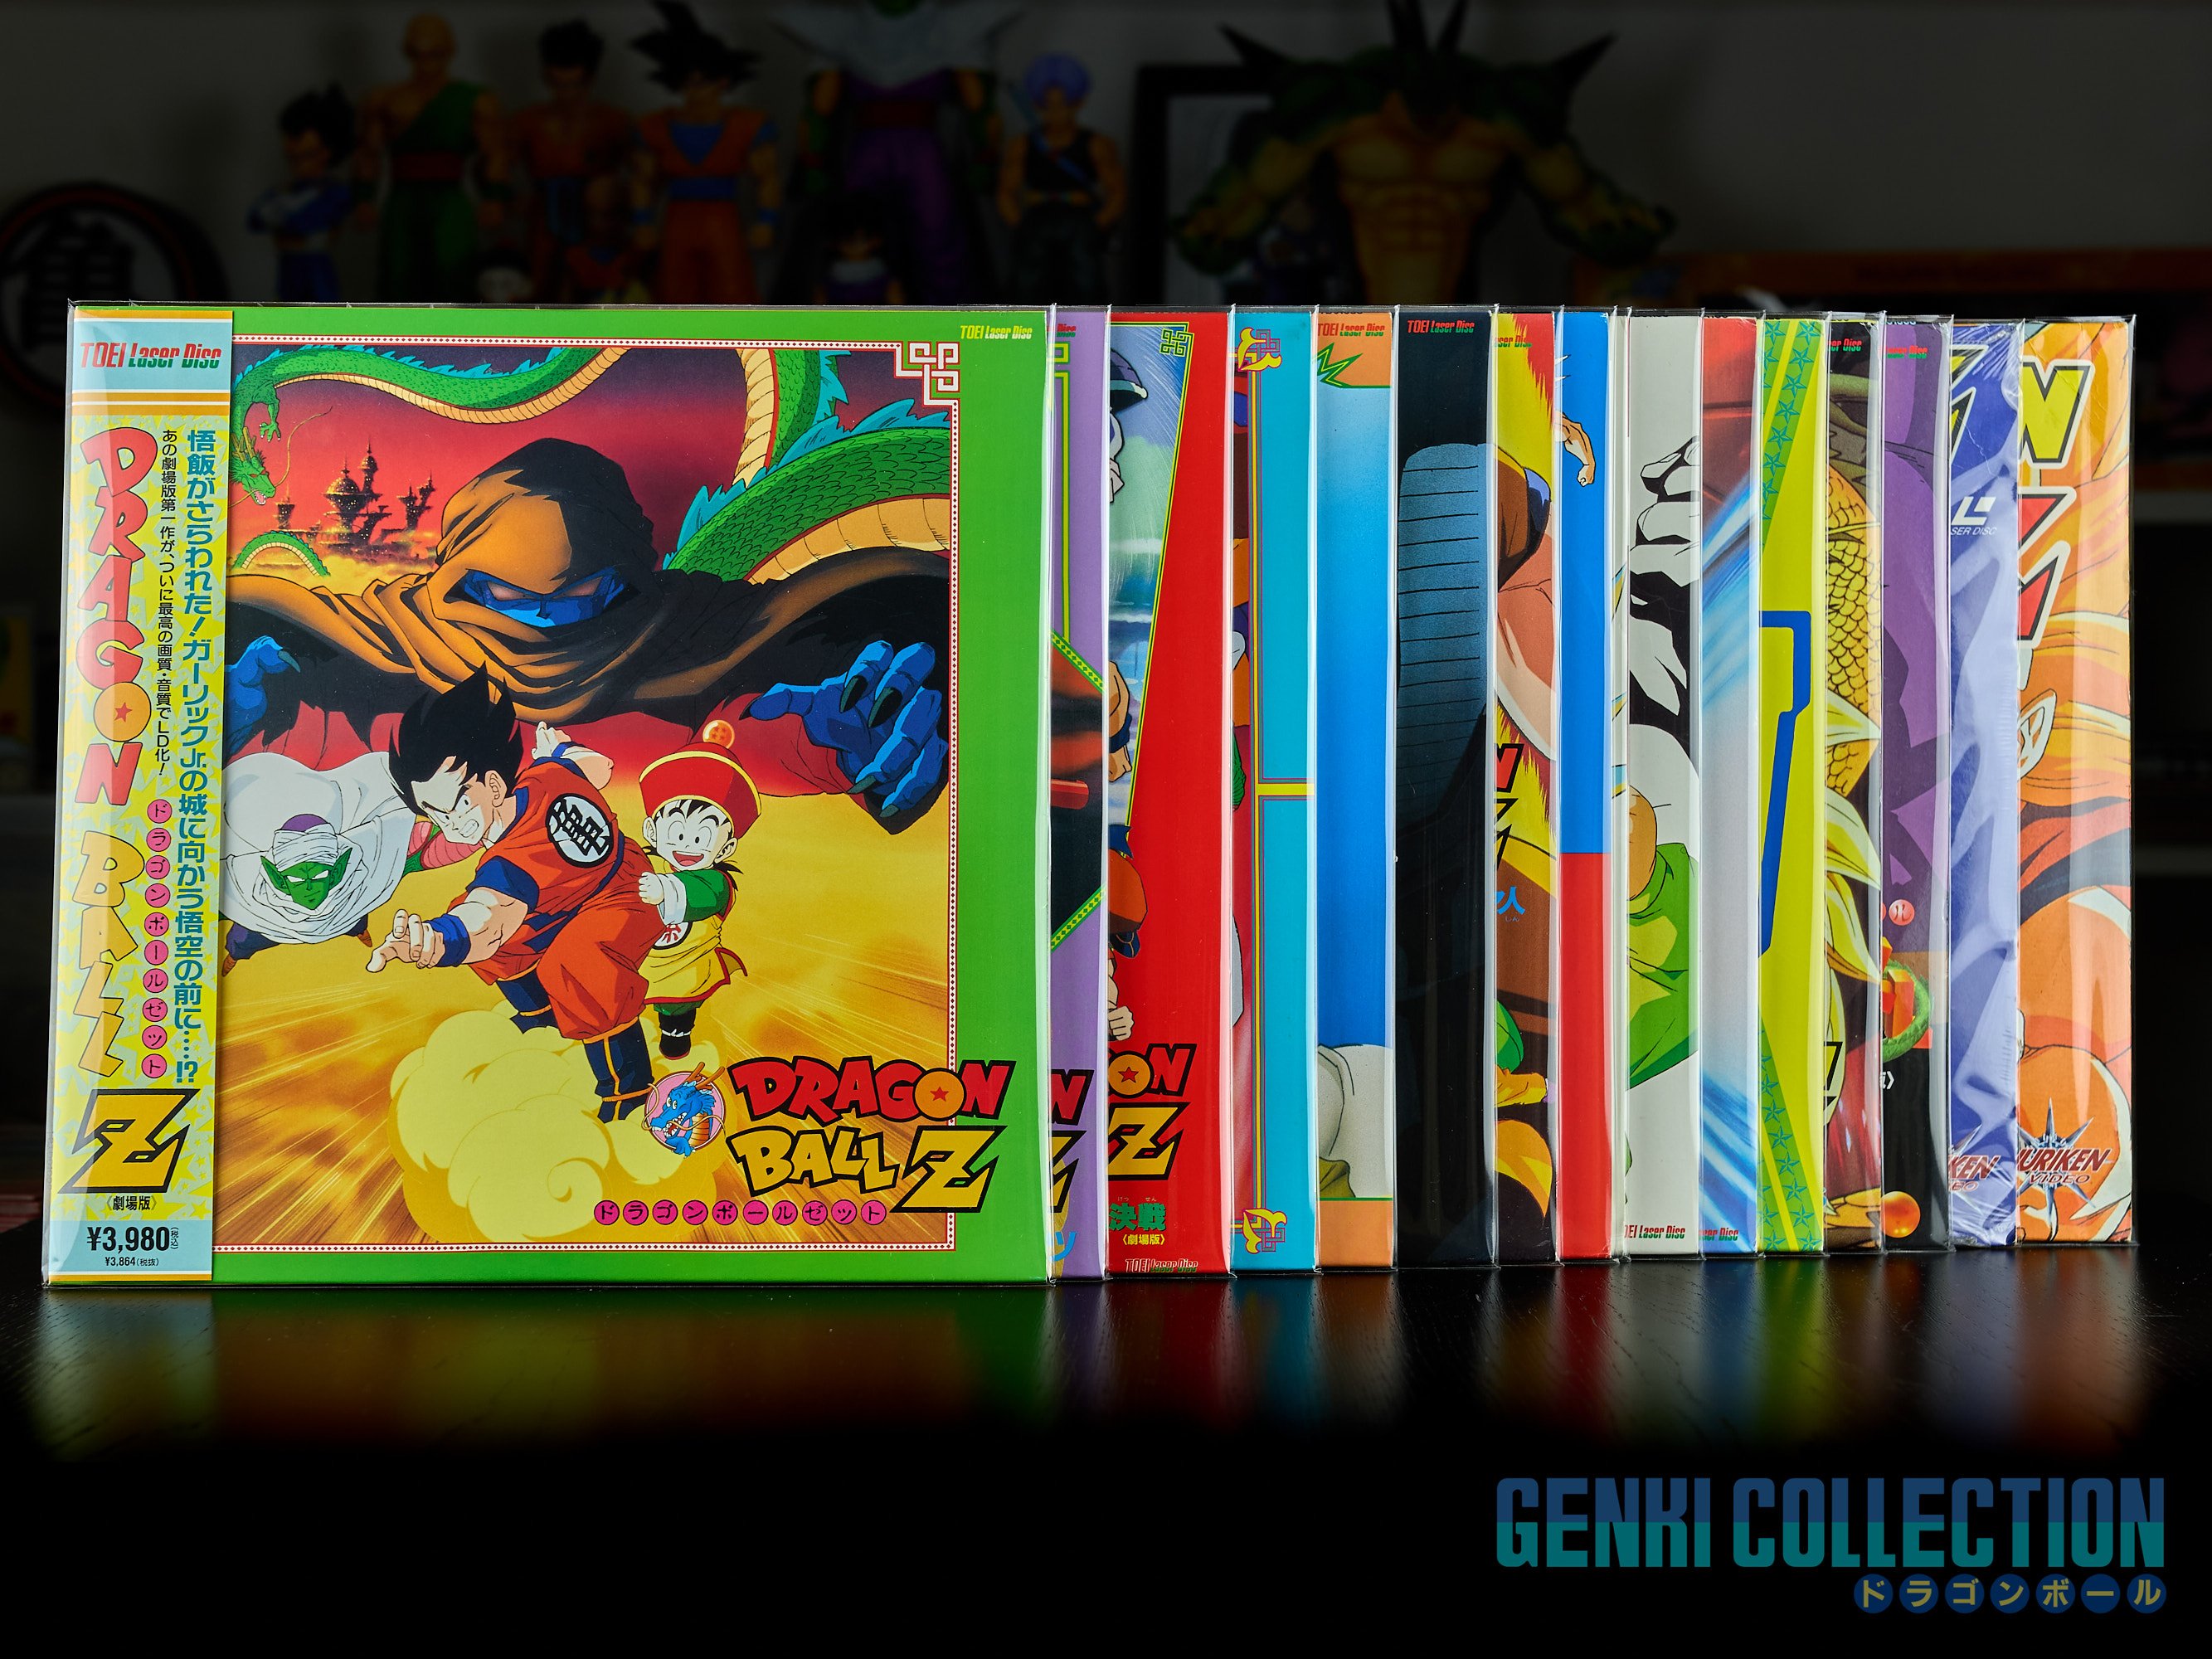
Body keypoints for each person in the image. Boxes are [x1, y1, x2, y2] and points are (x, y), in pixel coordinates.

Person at [372, 668, 664, 1121]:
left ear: (492, 785)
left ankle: (629, 1093)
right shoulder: (544, 775)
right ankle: (543, 1018)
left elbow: (487, 922)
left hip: (626, 895)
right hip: (563, 901)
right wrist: (562, 752)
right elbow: (598, 769)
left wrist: (438, 941)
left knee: (577, 963)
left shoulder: (509, 865)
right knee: (490, 937)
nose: (450, 825)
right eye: (434, 813)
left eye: (457, 804)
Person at [355, 13, 510, 302]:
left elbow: (496, 153)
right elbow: (368, 153)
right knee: (398, 275)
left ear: (449, 51)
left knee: (454, 273)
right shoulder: (384, 99)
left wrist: (494, 198)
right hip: (403, 200)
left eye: (435, 54)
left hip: (450, 200)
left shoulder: (476, 100)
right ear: (408, 52)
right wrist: (364, 198)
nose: (427, 64)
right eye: (419, 54)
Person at [631, 2, 779, 304]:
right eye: (687, 83)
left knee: (731, 288)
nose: (695, 91)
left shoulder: (747, 126)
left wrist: (766, 220)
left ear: (723, 81)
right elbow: (642, 180)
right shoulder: (654, 127)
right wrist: (643, 220)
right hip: (677, 220)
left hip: (723, 219)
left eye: (703, 82)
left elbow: (767, 177)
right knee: (674, 291)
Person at [634, 720, 759, 1059]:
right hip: (641, 960)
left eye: (702, 837)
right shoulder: (646, 863)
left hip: (687, 967)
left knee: (675, 1016)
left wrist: (665, 890)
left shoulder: (718, 882)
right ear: (652, 831)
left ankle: (676, 1038)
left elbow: (701, 894)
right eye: (677, 832)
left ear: (725, 848)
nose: (687, 845)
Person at [510, 19, 635, 302]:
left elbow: (643, 178)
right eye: (557, 84)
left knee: (595, 292)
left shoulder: (614, 122)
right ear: (546, 76)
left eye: (574, 85)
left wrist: (626, 204)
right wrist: (506, 198)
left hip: (597, 223)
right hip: (543, 220)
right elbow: (496, 169)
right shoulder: (526, 122)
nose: (565, 94)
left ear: (589, 79)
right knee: (540, 288)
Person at [997, 54, 1122, 304]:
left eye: (1062, 104)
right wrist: (1021, 226)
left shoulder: (1096, 144)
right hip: (1037, 222)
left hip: (1079, 222)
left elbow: (1117, 191)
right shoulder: (1023, 145)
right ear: (1038, 106)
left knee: (1085, 288)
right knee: (1028, 289)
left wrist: (1097, 225)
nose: (1055, 112)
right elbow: (1005, 191)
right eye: (1048, 105)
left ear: (1077, 103)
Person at [248, 86, 356, 302]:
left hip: (316, 271)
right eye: (292, 158)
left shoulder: (336, 192)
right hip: (287, 272)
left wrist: (280, 212)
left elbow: (302, 221)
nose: (292, 149)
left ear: (326, 150)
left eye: (305, 156)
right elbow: (255, 219)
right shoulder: (285, 190)